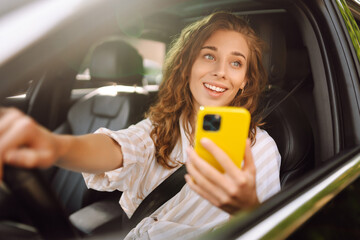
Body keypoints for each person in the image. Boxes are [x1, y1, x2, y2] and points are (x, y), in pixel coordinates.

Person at [0, 11, 281, 239]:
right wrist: (53, 145)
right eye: (209, 56)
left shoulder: (262, 150)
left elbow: (276, 231)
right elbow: (118, 147)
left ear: (245, 79)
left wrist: (248, 209)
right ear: (187, 65)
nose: (220, 71)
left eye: (236, 63)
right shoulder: (162, 126)